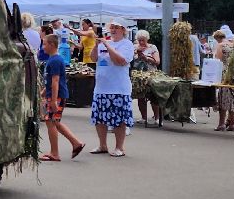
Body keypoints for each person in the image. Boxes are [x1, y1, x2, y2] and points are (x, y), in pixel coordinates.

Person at [88, 21, 136, 157]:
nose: (113, 30)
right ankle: (102, 145)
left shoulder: (126, 44)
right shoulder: (104, 42)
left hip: (118, 89)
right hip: (101, 88)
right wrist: (96, 46)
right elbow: (93, 58)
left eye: (117, 28)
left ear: (123, 30)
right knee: (100, 118)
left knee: (119, 119)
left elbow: (120, 61)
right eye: (112, 28)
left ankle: (119, 147)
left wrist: (108, 45)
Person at [38, 32, 86, 161]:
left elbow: (55, 81)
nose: (43, 47)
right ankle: (76, 143)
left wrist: (53, 100)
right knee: (55, 122)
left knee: (51, 121)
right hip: (55, 95)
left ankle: (55, 153)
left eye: (45, 44)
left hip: (57, 96)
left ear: (52, 45)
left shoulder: (55, 60)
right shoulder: (53, 59)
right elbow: (50, 81)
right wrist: (43, 93)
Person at [135, 29, 162, 123]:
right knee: (140, 97)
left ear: (147, 39)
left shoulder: (152, 47)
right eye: (139, 40)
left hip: (151, 74)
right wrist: (137, 54)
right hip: (138, 75)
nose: (141, 42)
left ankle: (157, 117)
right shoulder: (135, 47)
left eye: (143, 40)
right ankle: (144, 117)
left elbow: (157, 61)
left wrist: (147, 58)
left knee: (153, 96)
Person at [213, 30, 234, 131]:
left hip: (224, 74)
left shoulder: (220, 45)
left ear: (217, 38)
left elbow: (218, 60)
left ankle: (221, 124)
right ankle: (232, 123)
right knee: (233, 97)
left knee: (223, 97)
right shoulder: (233, 45)